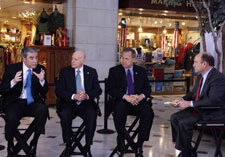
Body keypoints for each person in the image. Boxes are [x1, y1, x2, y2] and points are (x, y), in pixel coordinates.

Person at [170, 52, 225, 157]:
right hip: (201, 109)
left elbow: (213, 100)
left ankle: (186, 153)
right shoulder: (201, 77)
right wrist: (182, 99)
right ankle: (188, 151)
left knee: (184, 122)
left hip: (213, 112)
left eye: (195, 62)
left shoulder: (218, 78)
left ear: (204, 64)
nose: (193, 65)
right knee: (175, 118)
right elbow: (193, 93)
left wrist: (190, 103)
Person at [0, 46, 48, 157]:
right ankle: (10, 143)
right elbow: (2, 89)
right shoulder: (12, 68)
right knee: (11, 117)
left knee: (43, 110)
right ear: (24, 58)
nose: (35, 60)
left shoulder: (40, 69)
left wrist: (42, 81)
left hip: (32, 102)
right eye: (31, 58)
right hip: (15, 102)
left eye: (36, 58)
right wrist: (13, 82)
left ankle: (34, 142)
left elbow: (45, 91)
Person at [108, 47, 154, 157]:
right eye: (122, 58)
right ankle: (121, 138)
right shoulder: (114, 71)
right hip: (123, 100)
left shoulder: (141, 71)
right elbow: (111, 89)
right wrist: (126, 97)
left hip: (138, 100)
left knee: (148, 113)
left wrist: (141, 97)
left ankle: (139, 144)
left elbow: (147, 89)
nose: (123, 61)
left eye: (127, 59)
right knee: (118, 112)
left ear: (134, 59)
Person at [55, 50, 102, 157]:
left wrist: (87, 95)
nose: (72, 61)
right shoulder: (65, 71)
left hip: (86, 103)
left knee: (91, 115)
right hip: (69, 103)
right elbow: (59, 91)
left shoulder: (92, 71)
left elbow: (98, 90)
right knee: (65, 116)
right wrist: (73, 96)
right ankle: (68, 145)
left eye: (76, 59)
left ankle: (88, 146)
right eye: (72, 58)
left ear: (83, 60)